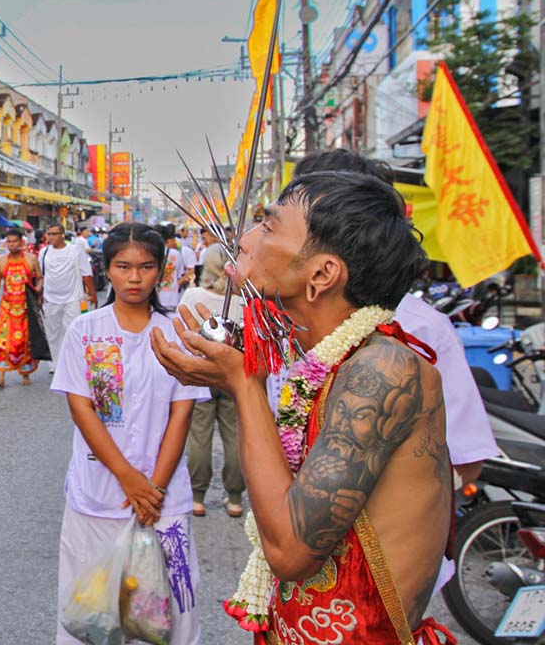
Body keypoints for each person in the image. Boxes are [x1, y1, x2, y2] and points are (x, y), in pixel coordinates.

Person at [152, 172, 455, 643]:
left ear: (321, 275)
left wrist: (242, 384)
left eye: (268, 227)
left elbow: (292, 552)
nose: (246, 240)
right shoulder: (325, 360)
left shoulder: (385, 369)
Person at [291, 147, 500, 594]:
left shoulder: (419, 330)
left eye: (278, 223)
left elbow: (466, 459)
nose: (255, 236)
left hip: (380, 585)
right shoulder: (278, 325)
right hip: (294, 576)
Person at [51, 224, 208, 645]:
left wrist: (153, 487)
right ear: (107, 270)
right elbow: (81, 408)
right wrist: (127, 477)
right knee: (92, 610)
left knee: (170, 613)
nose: (134, 278)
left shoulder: (178, 335)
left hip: (165, 499)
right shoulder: (85, 331)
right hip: (98, 493)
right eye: (123, 266)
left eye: (145, 267)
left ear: (162, 270)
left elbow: (182, 413)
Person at [179, 244, 245, 518]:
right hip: (234, 374)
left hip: (200, 373)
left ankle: (197, 497)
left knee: (199, 437)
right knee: (235, 436)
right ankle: (234, 498)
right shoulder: (244, 300)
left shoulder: (193, 295)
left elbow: (180, 333)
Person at [0, 228, 43, 387]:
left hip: (26, 307)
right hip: (7, 307)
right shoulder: (1, 261)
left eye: (14, 241)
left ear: (21, 242)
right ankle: (1, 377)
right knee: (2, 339)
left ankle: (25, 375)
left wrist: (38, 289)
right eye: (9, 242)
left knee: (24, 340)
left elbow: (40, 277)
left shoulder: (31, 259)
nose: (12, 245)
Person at [40, 224, 97, 374]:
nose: (50, 237)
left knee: (72, 331)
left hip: (73, 298)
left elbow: (86, 274)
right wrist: (39, 295)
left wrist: (93, 294)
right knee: (52, 333)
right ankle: (55, 363)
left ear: (62, 235)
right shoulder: (44, 252)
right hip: (50, 299)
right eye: (49, 234)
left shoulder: (75, 251)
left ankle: (73, 361)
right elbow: (40, 275)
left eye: (54, 234)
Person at [155, 225, 186, 309]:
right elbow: (180, 275)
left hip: (154, 299)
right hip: (172, 298)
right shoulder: (176, 254)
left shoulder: (149, 253)